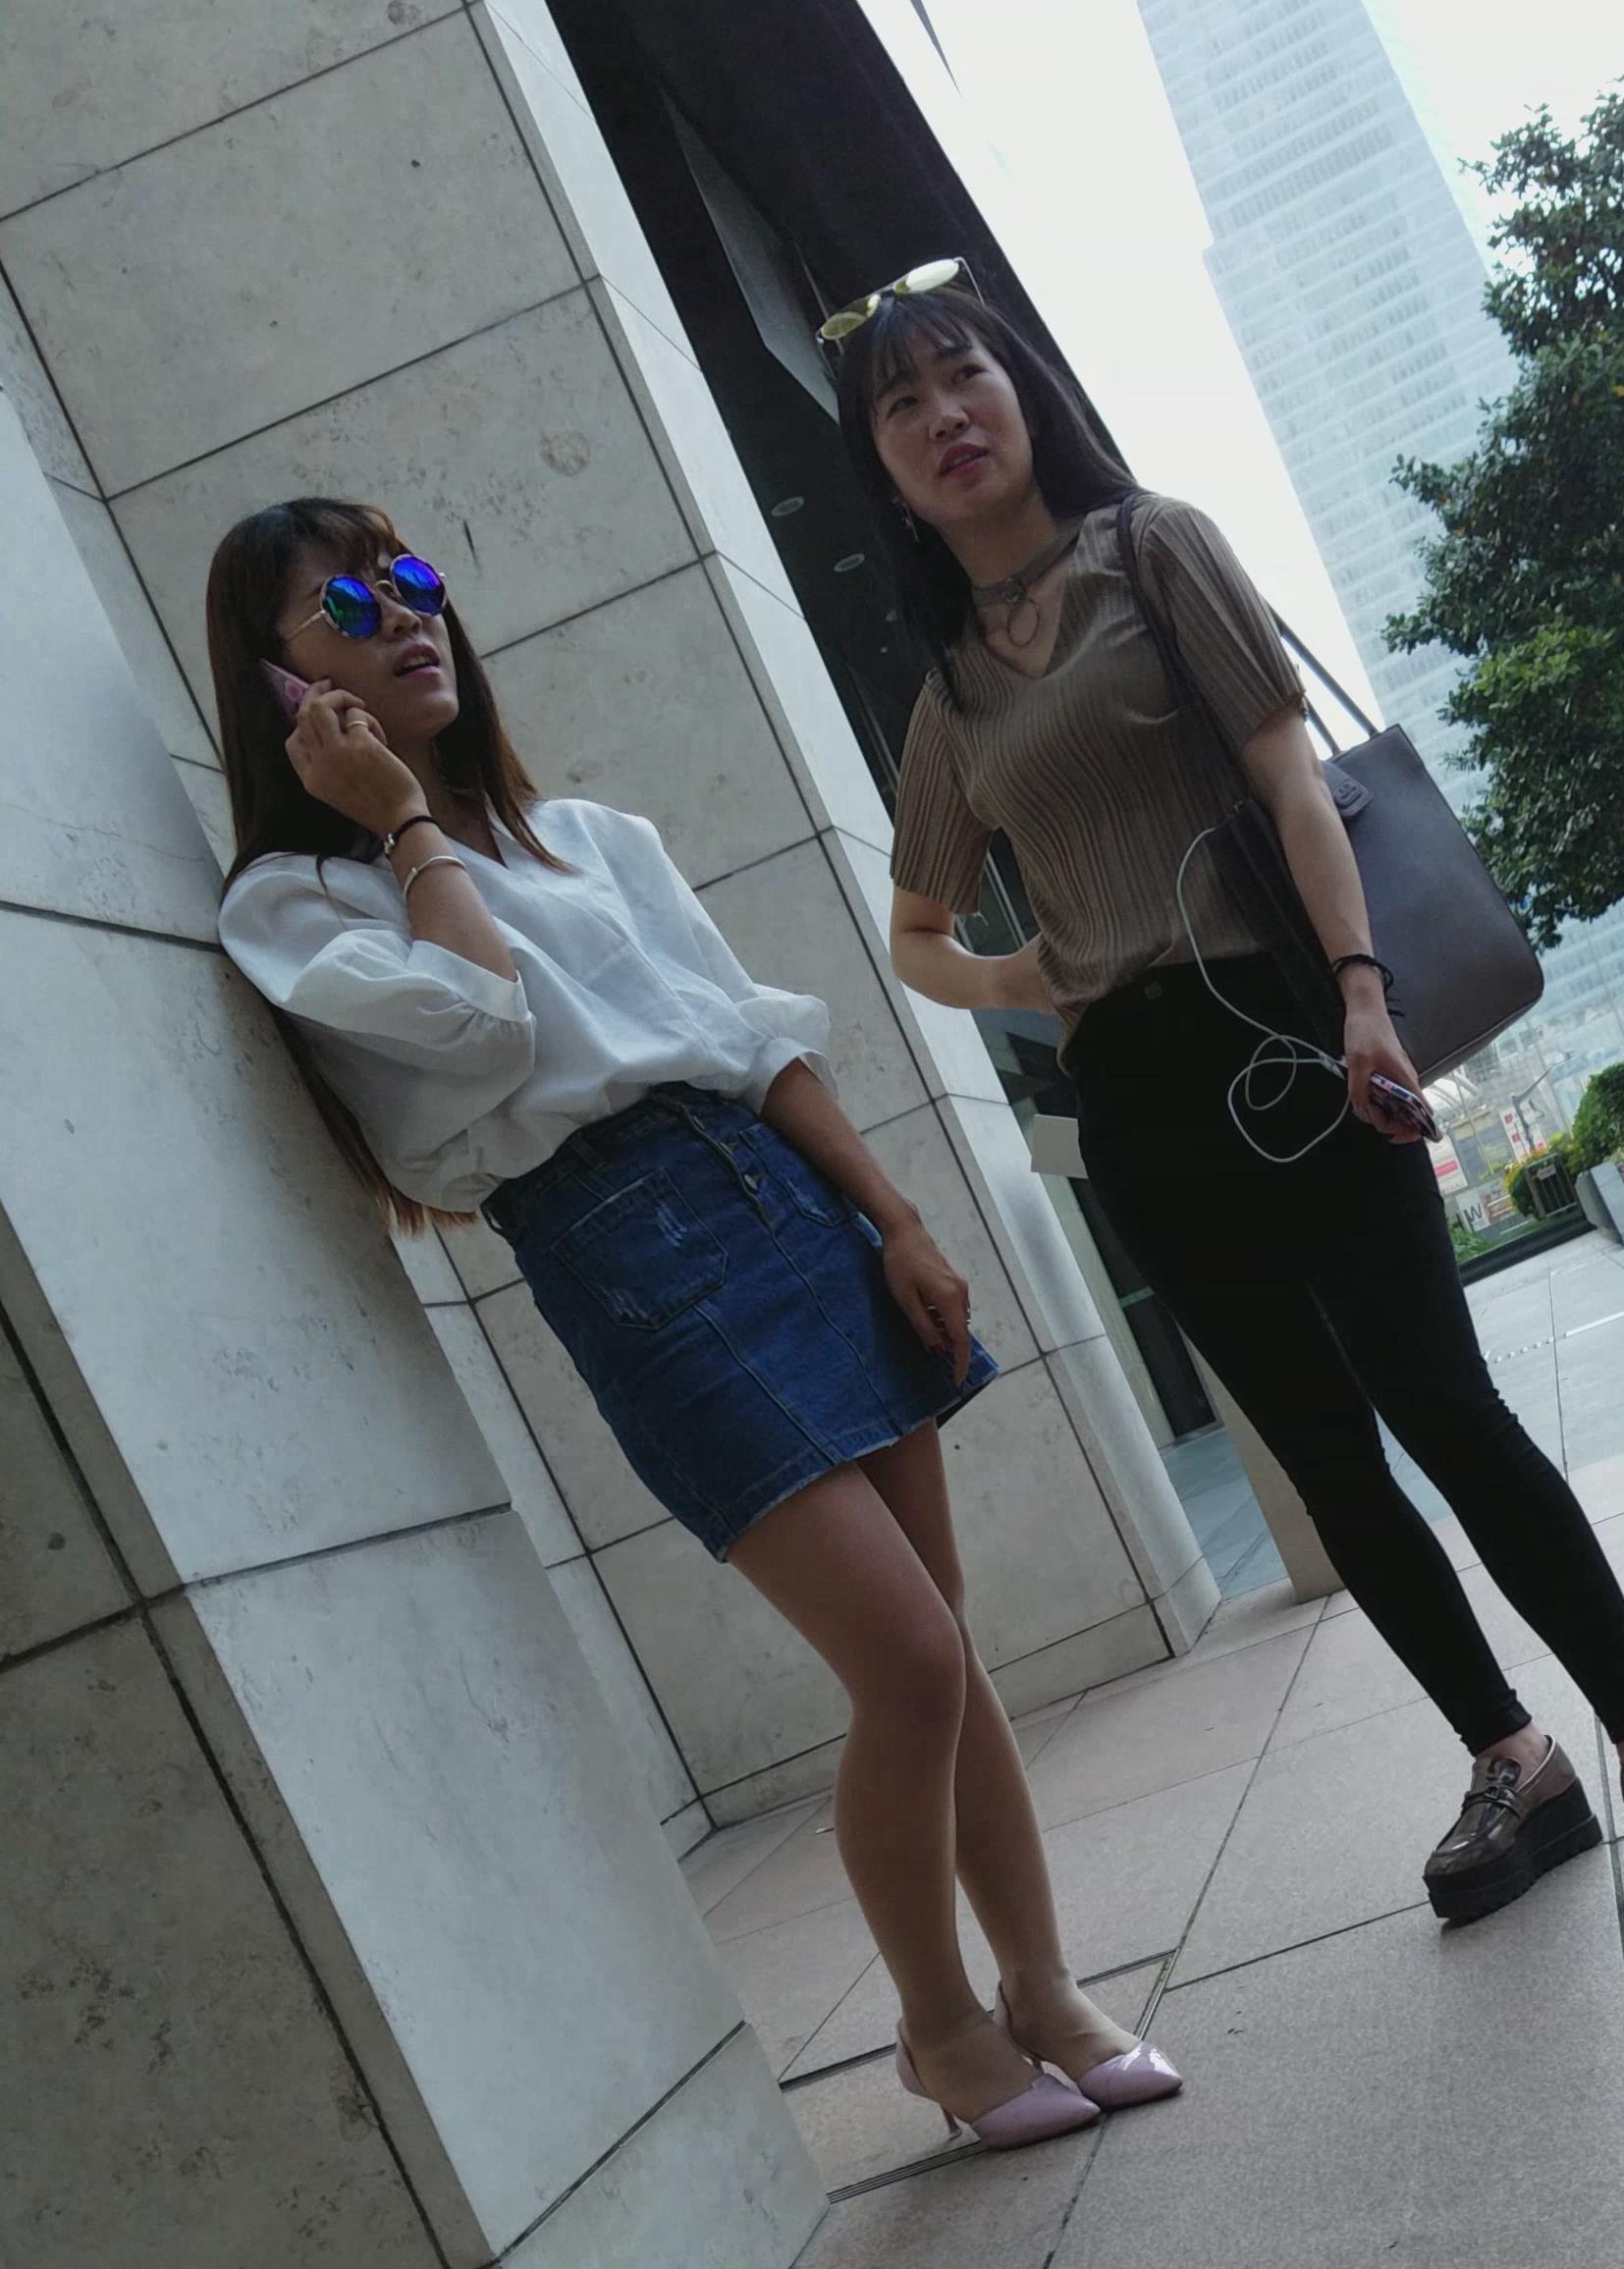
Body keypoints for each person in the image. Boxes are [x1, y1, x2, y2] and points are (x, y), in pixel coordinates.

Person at [824, 271, 1624, 1921]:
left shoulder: (1153, 547)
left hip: (1291, 1038)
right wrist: (1045, 978)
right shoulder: (949, 693)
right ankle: (1512, 1760)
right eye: (901, 404)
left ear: (1022, 391)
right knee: (1325, 1456)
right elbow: (917, 935)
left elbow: (1294, 780)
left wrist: (1365, 996)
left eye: (965, 376)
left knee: (1446, 1405)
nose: (944, 416)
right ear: (879, 461)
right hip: (1135, 1102)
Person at [206, 496, 1179, 2149]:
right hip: (622, 1250)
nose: (407, 614)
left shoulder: (593, 836)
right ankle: (940, 2030)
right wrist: (403, 823)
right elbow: (483, 1020)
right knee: (907, 1659)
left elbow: (748, 1041)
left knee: (947, 1645)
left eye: (413, 578)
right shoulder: (295, 904)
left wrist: (895, 1217)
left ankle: (1047, 1990)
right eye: (348, 606)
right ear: (277, 681)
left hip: (784, 1205)